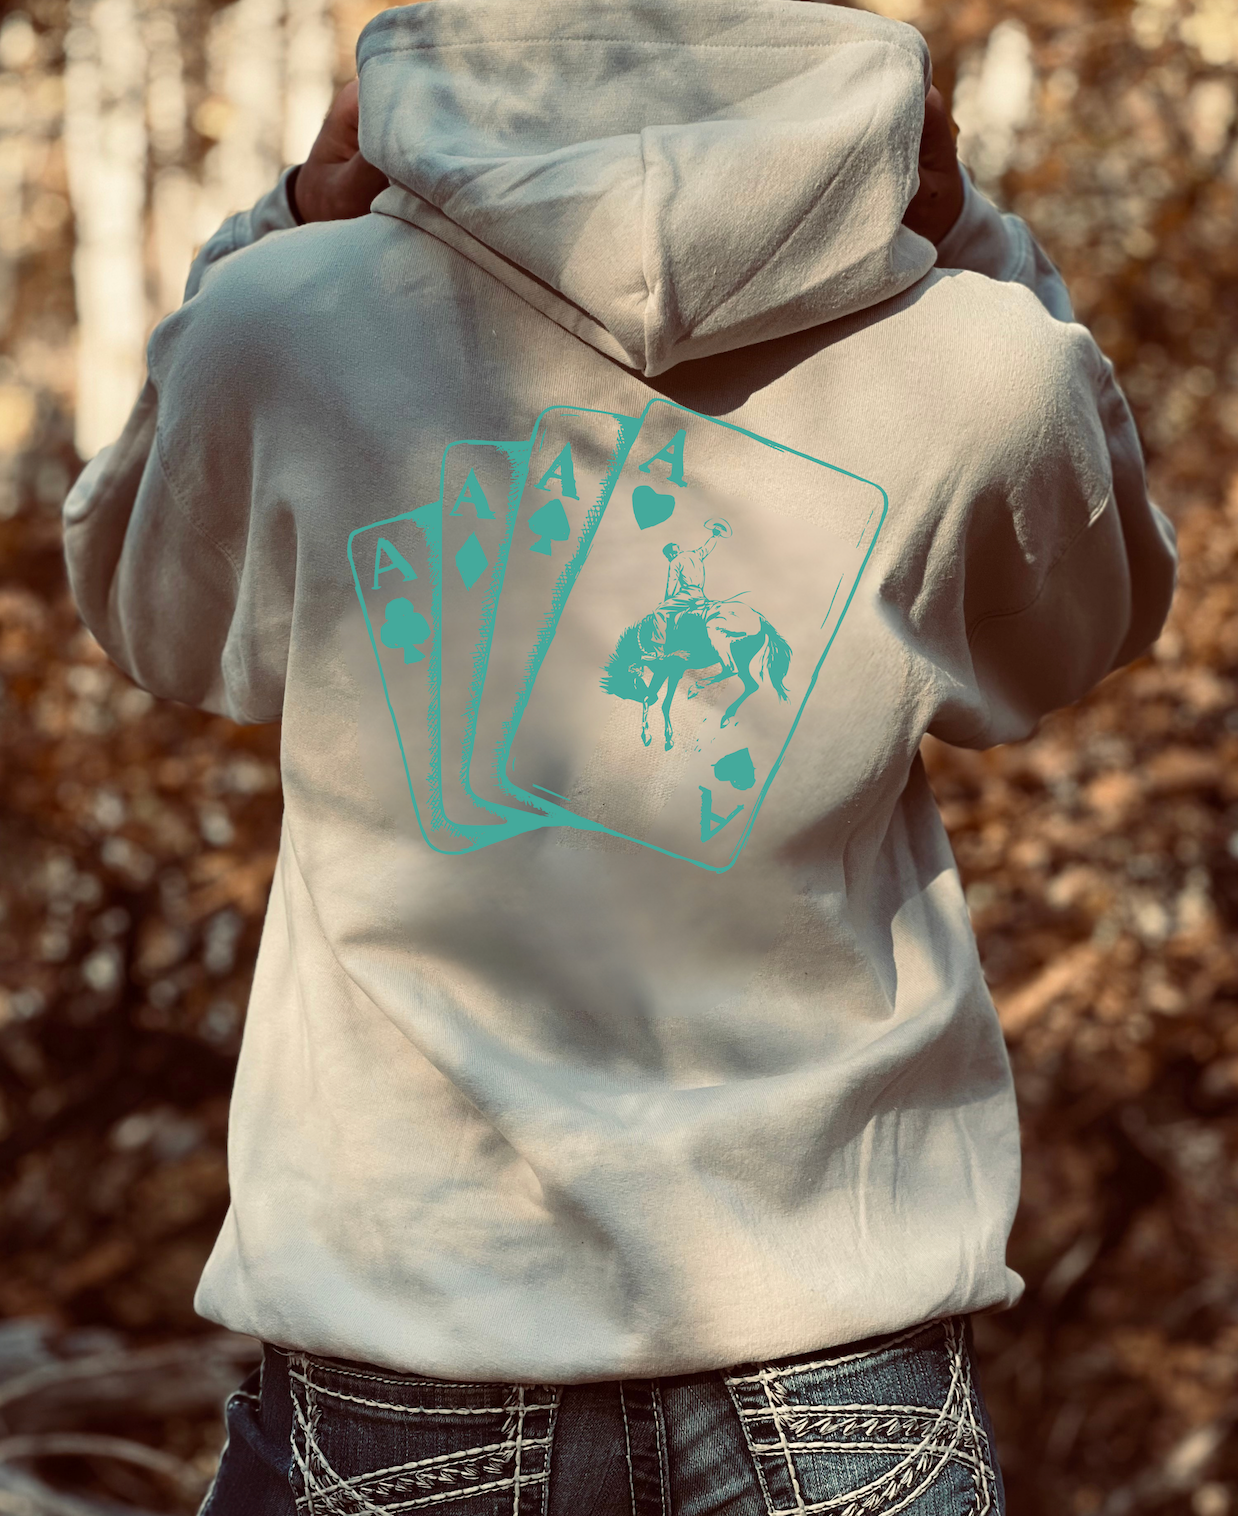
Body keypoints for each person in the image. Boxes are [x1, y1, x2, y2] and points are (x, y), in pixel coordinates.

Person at [62, 1, 1177, 1512]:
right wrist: (969, 236)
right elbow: (1088, 622)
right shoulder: (983, 367)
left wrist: (280, 225)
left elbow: (154, 617)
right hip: (831, 1351)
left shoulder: (282, 329)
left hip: (416, 1330)